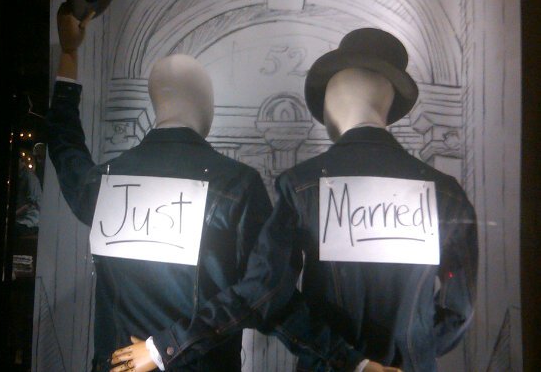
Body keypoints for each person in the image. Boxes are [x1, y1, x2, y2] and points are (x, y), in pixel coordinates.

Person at [122, 28, 477, 372]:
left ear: (334, 98)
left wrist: (349, 362)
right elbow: (457, 310)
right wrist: (408, 355)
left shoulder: (303, 185)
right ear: (387, 103)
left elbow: (266, 293)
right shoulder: (446, 193)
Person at [46, 2, 272, 372]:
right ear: (207, 105)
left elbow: (63, 143)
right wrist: (168, 346)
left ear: (157, 103)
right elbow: (264, 293)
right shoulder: (238, 186)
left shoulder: (105, 183)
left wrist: (69, 54)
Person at [15, 156, 42, 235]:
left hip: (31, 219)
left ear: (22, 162)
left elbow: (30, 204)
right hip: (22, 217)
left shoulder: (29, 177)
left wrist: (15, 213)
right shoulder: (21, 176)